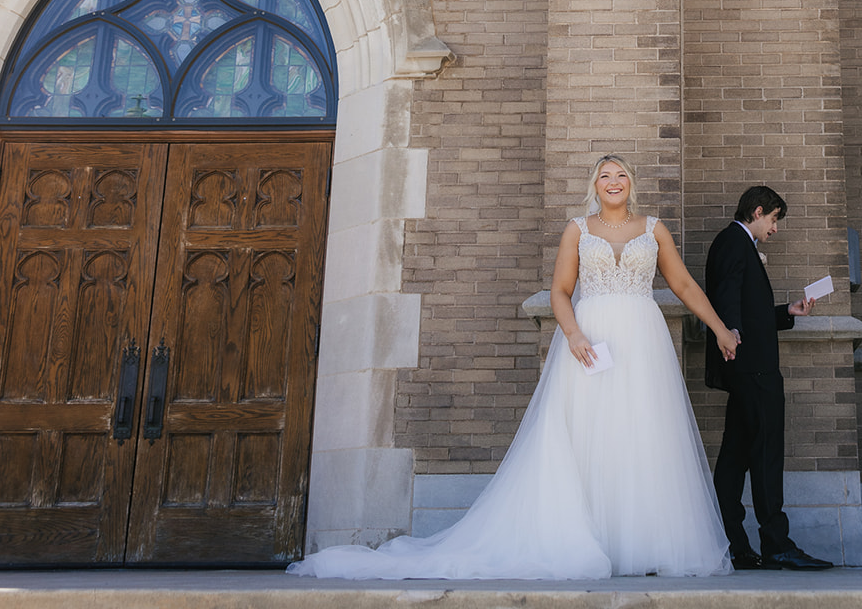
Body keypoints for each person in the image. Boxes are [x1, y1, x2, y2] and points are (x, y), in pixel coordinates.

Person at [289, 154, 738, 580]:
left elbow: (681, 283)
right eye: (605, 175)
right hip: (590, 340)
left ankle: (643, 545)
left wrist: (719, 328)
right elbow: (561, 291)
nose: (614, 181)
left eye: (620, 174)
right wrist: (575, 334)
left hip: (642, 340)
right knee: (587, 435)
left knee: (642, 435)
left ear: (631, 183)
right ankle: (592, 539)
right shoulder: (577, 230)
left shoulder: (653, 229)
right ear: (595, 186)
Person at [704, 184, 833, 571]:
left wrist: (787, 312)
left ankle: (735, 545)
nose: (774, 229)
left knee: (735, 458)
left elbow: (749, 309)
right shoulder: (733, 241)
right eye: (774, 220)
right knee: (765, 454)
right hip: (754, 368)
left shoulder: (736, 244)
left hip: (744, 365)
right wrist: (732, 334)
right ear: (758, 212)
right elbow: (727, 295)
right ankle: (776, 544)